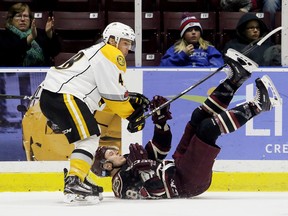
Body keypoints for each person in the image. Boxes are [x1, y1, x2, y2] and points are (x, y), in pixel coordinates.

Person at [92, 48, 281, 199]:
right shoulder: (121, 184)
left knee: (198, 117)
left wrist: (160, 123)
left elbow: (161, 148)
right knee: (208, 129)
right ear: (107, 166)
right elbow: (156, 192)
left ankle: (235, 78)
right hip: (187, 183)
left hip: (179, 166)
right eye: (111, 153)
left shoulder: (130, 158)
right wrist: (145, 169)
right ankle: (258, 105)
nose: (116, 151)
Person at [39, 22, 149, 203]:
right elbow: (112, 96)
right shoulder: (110, 52)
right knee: (90, 137)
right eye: (125, 43)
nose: (128, 48)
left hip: (55, 96)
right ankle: (74, 180)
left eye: (130, 44)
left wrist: (130, 100)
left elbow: (106, 95)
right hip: (64, 96)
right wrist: (131, 114)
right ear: (112, 40)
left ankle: (78, 178)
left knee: (86, 138)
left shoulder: (100, 52)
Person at [160, 15, 224, 67]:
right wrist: (182, 54)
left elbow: (218, 66)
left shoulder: (209, 49)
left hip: (204, 80)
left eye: (196, 30)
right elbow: (163, 67)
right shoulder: (174, 49)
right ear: (183, 34)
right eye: (189, 30)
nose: (193, 32)